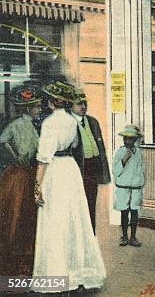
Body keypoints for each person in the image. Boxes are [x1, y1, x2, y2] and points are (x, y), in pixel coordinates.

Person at [32, 81, 106, 292]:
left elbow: (44, 158)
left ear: (52, 102)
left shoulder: (48, 123)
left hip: (55, 170)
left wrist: (37, 186)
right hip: (70, 170)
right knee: (74, 219)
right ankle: (77, 272)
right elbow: (73, 146)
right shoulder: (72, 122)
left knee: (55, 222)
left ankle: (57, 274)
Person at [0, 86, 42, 276]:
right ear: (28, 109)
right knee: (15, 214)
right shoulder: (16, 124)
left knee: (28, 215)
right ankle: (12, 258)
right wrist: (14, 155)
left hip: (30, 172)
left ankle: (27, 257)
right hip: (18, 176)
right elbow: (3, 140)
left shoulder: (36, 125)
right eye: (37, 107)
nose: (40, 110)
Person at [71, 88, 111, 234]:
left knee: (91, 202)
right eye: (79, 104)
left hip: (93, 167)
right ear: (71, 106)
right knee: (77, 205)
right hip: (79, 168)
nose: (83, 107)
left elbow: (101, 149)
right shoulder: (69, 123)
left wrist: (104, 172)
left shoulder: (92, 122)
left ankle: (91, 235)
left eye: (85, 103)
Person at [112, 125, 145, 247]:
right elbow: (115, 170)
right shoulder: (120, 152)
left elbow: (140, 169)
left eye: (130, 139)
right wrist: (124, 160)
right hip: (123, 187)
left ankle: (133, 237)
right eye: (125, 138)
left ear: (135, 140)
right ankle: (124, 236)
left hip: (136, 187)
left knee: (134, 211)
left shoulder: (138, 153)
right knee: (124, 212)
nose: (127, 141)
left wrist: (140, 183)